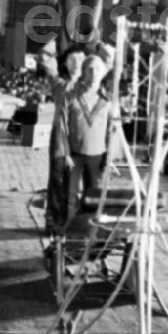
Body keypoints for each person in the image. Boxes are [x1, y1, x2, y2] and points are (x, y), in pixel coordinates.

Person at [40, 44, 87, 235]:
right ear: (65, 64)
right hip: (60, 141)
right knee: (57, 181)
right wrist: (58, 38)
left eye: (81, 60)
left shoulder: (90, 86)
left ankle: (71, 223)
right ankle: (53, 222)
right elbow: (44, 57)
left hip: (81, 142)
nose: (77, 64)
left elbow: (108, 60)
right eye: (72, 60)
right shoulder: (59, 84)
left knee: (75, 185)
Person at [66, 55, 112, 219]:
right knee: (69, 195)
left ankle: (87, 228)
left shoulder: (107, 100)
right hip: (74, 153)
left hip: (97, 155)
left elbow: (111, 130)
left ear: (103, 73)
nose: (94, 73)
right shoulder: (72, 95)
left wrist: (110, 155)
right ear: (84, 72)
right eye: (90, 69)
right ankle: (67, 228)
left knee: (93, 196)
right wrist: (64, 152)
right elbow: (62, 126)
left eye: (98, 69)